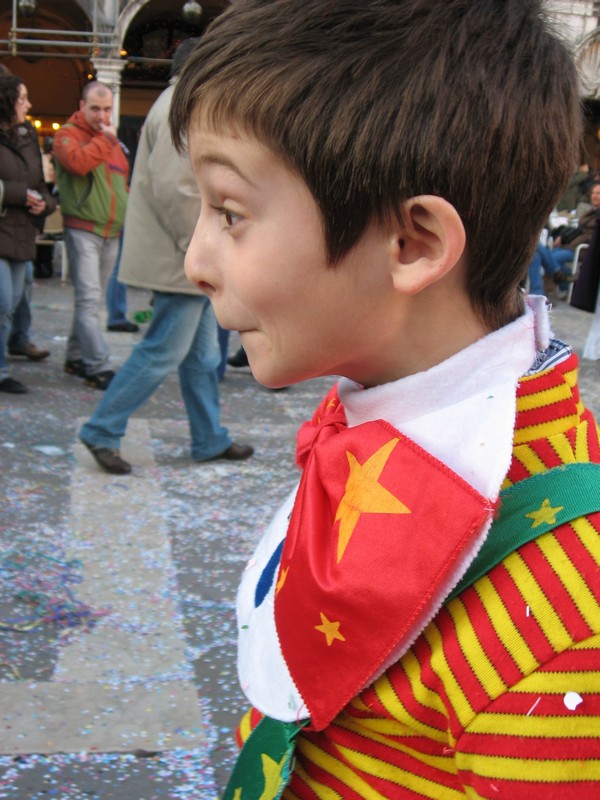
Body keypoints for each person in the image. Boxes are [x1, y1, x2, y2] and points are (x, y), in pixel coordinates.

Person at [169, 1, 600, 797]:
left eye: (230, 212)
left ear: (413, 245)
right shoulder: (389, 412)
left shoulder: (563, 621)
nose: (196, 259)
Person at [78, 38, 253, 475]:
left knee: (201, 356)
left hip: (178, 256)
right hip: (179, 258)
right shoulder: (182, 106)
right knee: (163, 351)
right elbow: (177, 189)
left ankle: (208, 437)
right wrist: (199, 248)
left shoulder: (176, 102)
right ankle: (102, 429)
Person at [53, 81, 128, 390]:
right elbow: (78, 164)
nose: (102, 115)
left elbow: (122, 181)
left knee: (91, 301)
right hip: (84, 228)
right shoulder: (66, 135)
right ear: (82, 106)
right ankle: (97, 366)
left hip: (110, 230)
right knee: (88, 300)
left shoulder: (109, 139)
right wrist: (106, 138)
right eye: (95, 108)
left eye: (107, 109)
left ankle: (74, 356)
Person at [0, 75, 56, 393]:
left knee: (11, 303)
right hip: (3, 226)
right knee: (2, 299)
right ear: (7, 100)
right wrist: (20, 194)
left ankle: (3, 365)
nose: (28, 104)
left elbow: (37, 182)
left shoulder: (26, 134)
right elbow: (21, 187)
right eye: (23, 98)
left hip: (21, 231)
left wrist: (45, 203)